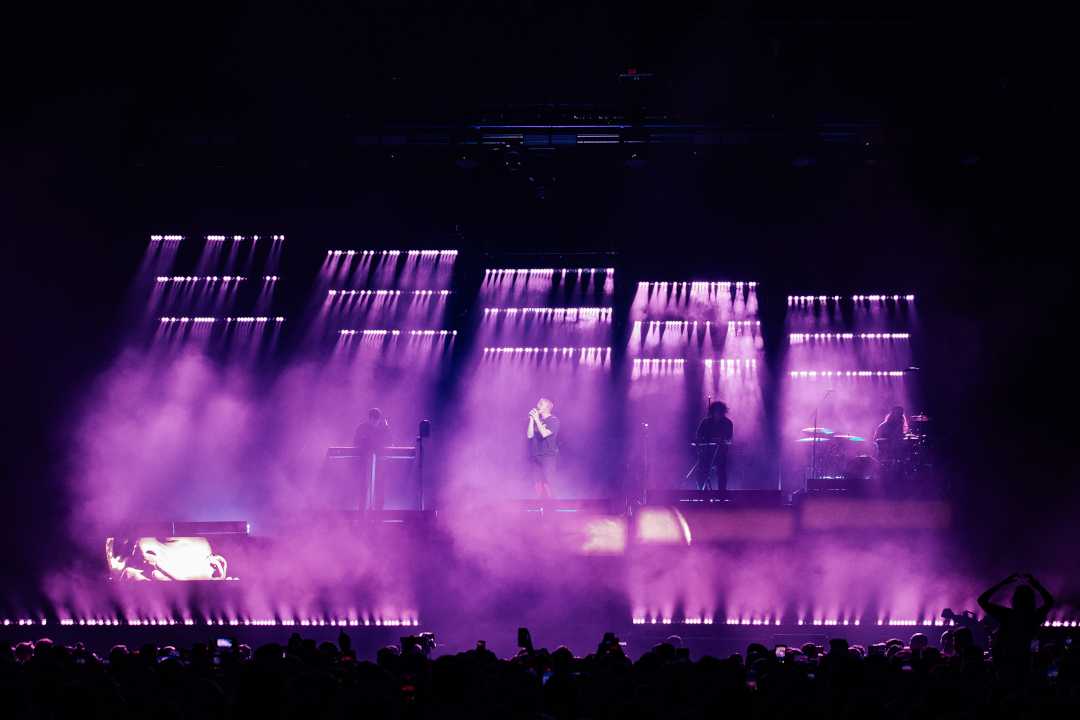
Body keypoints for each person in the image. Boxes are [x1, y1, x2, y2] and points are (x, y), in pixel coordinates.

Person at [977, 573, 1054, 686]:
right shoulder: (1034, 616)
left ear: (1015, 600)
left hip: (1005, 663)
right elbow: (1050, 601)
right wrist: (1037, 585)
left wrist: (1002, 583)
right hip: (1025, 662)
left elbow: (982, 600)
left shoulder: (1008, 615)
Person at [691, 401, 733, 491]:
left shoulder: (727, 423)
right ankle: (703, 493)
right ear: (712, 411)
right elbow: (698, 436)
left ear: (724, 412)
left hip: (720, 453)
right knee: (700, 473)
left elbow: (729, 439)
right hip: (706, 453)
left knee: (721, 473)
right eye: (716, 411)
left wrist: (722, 441)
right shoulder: (705, 422)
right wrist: (701, 442)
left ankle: (721, 493)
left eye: (720, 411)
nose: (718, 413)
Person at [354, 408, 391, 509]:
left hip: (379, 465)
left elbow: (389, 443)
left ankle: (378, 514)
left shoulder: (382, 429)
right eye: (373, 419)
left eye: (377, 419)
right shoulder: (362, 428)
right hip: (365, 464)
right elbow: (356, 443)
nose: (375, 422)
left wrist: (387, 428)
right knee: (364, 489)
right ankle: (362, 514)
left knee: (380, 489)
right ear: (369, 418)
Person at [526, 397, 560, 498]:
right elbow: (529, 435)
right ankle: (540, 505)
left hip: (548, 456)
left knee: (548, 484)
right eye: (538, 403)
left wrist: (536, 419)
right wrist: (532, 420)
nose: (538, 405)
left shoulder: (554, 421)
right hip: (536, 456)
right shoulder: (537, 420)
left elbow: (545, 434)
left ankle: (552, 507)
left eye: (541, 403)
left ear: (548, 407)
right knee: (537, 484)